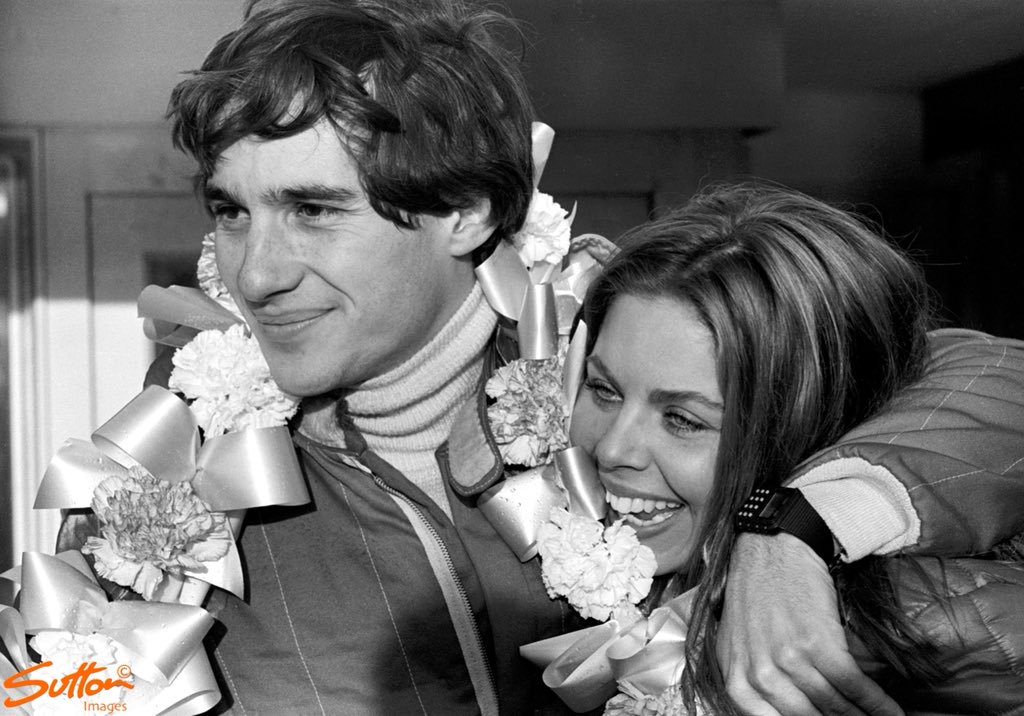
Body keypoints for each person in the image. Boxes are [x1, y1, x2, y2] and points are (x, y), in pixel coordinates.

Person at [53, 0, 1024, 713]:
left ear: (467, 210)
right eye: (230, 210)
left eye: (314, 210)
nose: (256, 271)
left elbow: (968, 372)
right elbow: (63, 676)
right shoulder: (168, 477)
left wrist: (787, 532)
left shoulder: (602, 345)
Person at [569, 182, 1024, 714]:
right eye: (603, 389)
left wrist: (789, 523)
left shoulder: (906, 635)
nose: (612, 450)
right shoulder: (548, 502)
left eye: (683, 420)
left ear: (803, 426)